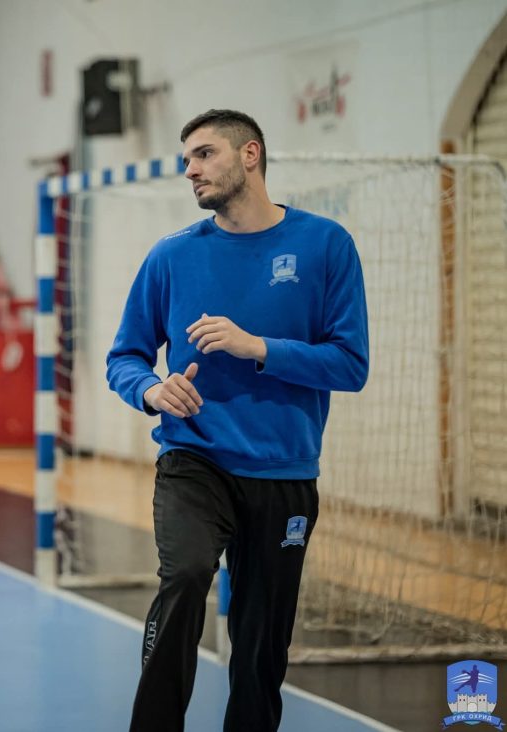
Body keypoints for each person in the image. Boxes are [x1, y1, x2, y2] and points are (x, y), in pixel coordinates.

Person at [106, 109, 369, 732]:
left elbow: (350, 364)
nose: (190, 170)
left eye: (204, 155)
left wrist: (258, 347)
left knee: (260, 640)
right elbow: (125, 357)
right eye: (187, 159)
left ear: (250, 154)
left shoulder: (326, 244)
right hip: (193, 458)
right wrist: (152, 390)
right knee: (185, 577)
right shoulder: (171, 256)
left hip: (285, 470)